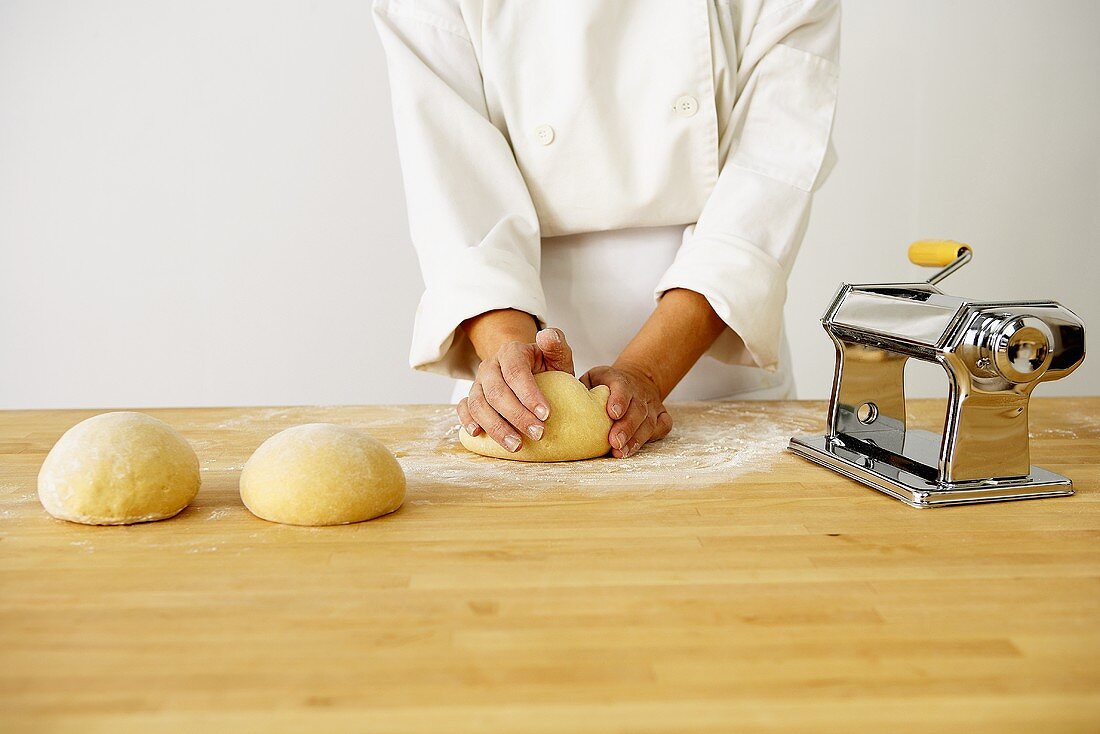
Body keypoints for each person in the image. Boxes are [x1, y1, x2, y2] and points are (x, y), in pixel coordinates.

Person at [373, 0, 840, 458]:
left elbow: (770, 170)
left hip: (715, 366)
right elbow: (454, 178)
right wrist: (509, 351)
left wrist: (648, 372)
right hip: (511, 379)